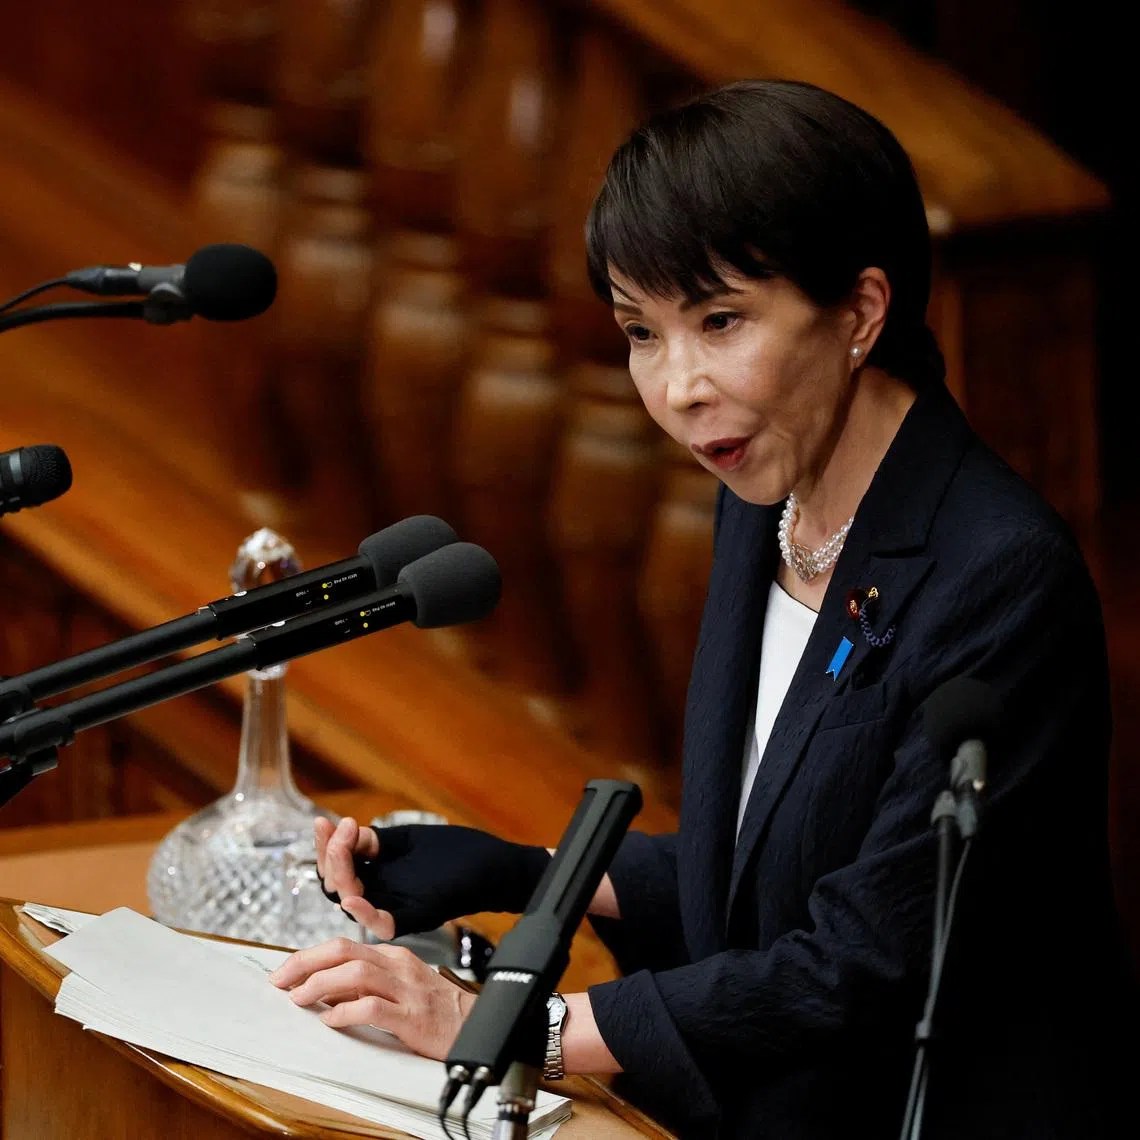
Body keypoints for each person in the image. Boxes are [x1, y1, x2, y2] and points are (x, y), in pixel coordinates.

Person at [268, 80, 1136, 1137]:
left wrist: (509, 1024)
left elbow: (867, 952)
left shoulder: (1000, 577)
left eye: (721, 321)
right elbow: (770, 874)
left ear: (861, 313)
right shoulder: (765, 501)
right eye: (642, 331)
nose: (678, 386)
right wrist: (525, 871)